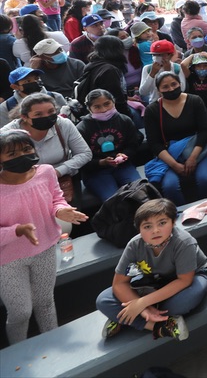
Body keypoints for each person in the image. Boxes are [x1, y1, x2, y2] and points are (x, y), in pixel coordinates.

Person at [0, 130, 87, 344]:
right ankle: (18, 352)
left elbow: (56, 199)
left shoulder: (46, 172)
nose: (22, 156)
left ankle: (53, 343)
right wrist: (17, 231)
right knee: (20, 312)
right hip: (8, 259)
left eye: (27, 149)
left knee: (45, 302)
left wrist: (60, 210)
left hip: (46, 248)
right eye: (12, 154)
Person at [96, 198, 207, 341]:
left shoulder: (183, 242)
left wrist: (142, 303)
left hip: (190, 278)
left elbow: (184, 280)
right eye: (147, 226)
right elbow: (119, 283)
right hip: (154, 280)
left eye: (162, 223)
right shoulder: (134, 245)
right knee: (103, 300)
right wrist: (143, 309)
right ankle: (157, 326)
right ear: (139, 229)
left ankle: (123, 317)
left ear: (173, 222)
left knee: (182, 302)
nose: (155, 230)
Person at [2, 92, 92, 204]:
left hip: (62, 180)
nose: (46, 117)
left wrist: (58, 171)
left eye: (51, 112)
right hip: (24, 183)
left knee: (69, 216)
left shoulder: (63, 125)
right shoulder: (8, 134)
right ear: (24, 117)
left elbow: (85, 153)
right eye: (38, 114)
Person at [143, 71, 207, 205]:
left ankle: (205, 207)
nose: (171, 89)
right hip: (169, 153)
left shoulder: (194, 100)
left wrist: (193, 158)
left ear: (180, 84)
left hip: (195, 148)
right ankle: (179, 213)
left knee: (206, 179)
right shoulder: (152, 110)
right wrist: (174, 164)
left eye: (174, 84)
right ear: (158, 90)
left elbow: (204, 130)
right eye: (165, 87)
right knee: (170, 186)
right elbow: (154, 143)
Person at [76, 89, 143, 202]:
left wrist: (124, 154)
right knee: (113, 202)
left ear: (113, 101)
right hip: (95, 172)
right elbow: (80, 160)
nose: (104, 109)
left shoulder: (124, 120)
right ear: (89, 108)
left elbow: (133, 145)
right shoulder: (82, 129)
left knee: (139, 193)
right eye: (97, 107)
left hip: (123, 166)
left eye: (107, 104)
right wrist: (101, 162)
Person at [1, 68, 69, 128]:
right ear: (15, 87)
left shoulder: (56, 97)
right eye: (28, 81)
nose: (35, 82)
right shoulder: (6, 107)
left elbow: (67, 122)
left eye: (37, 78)